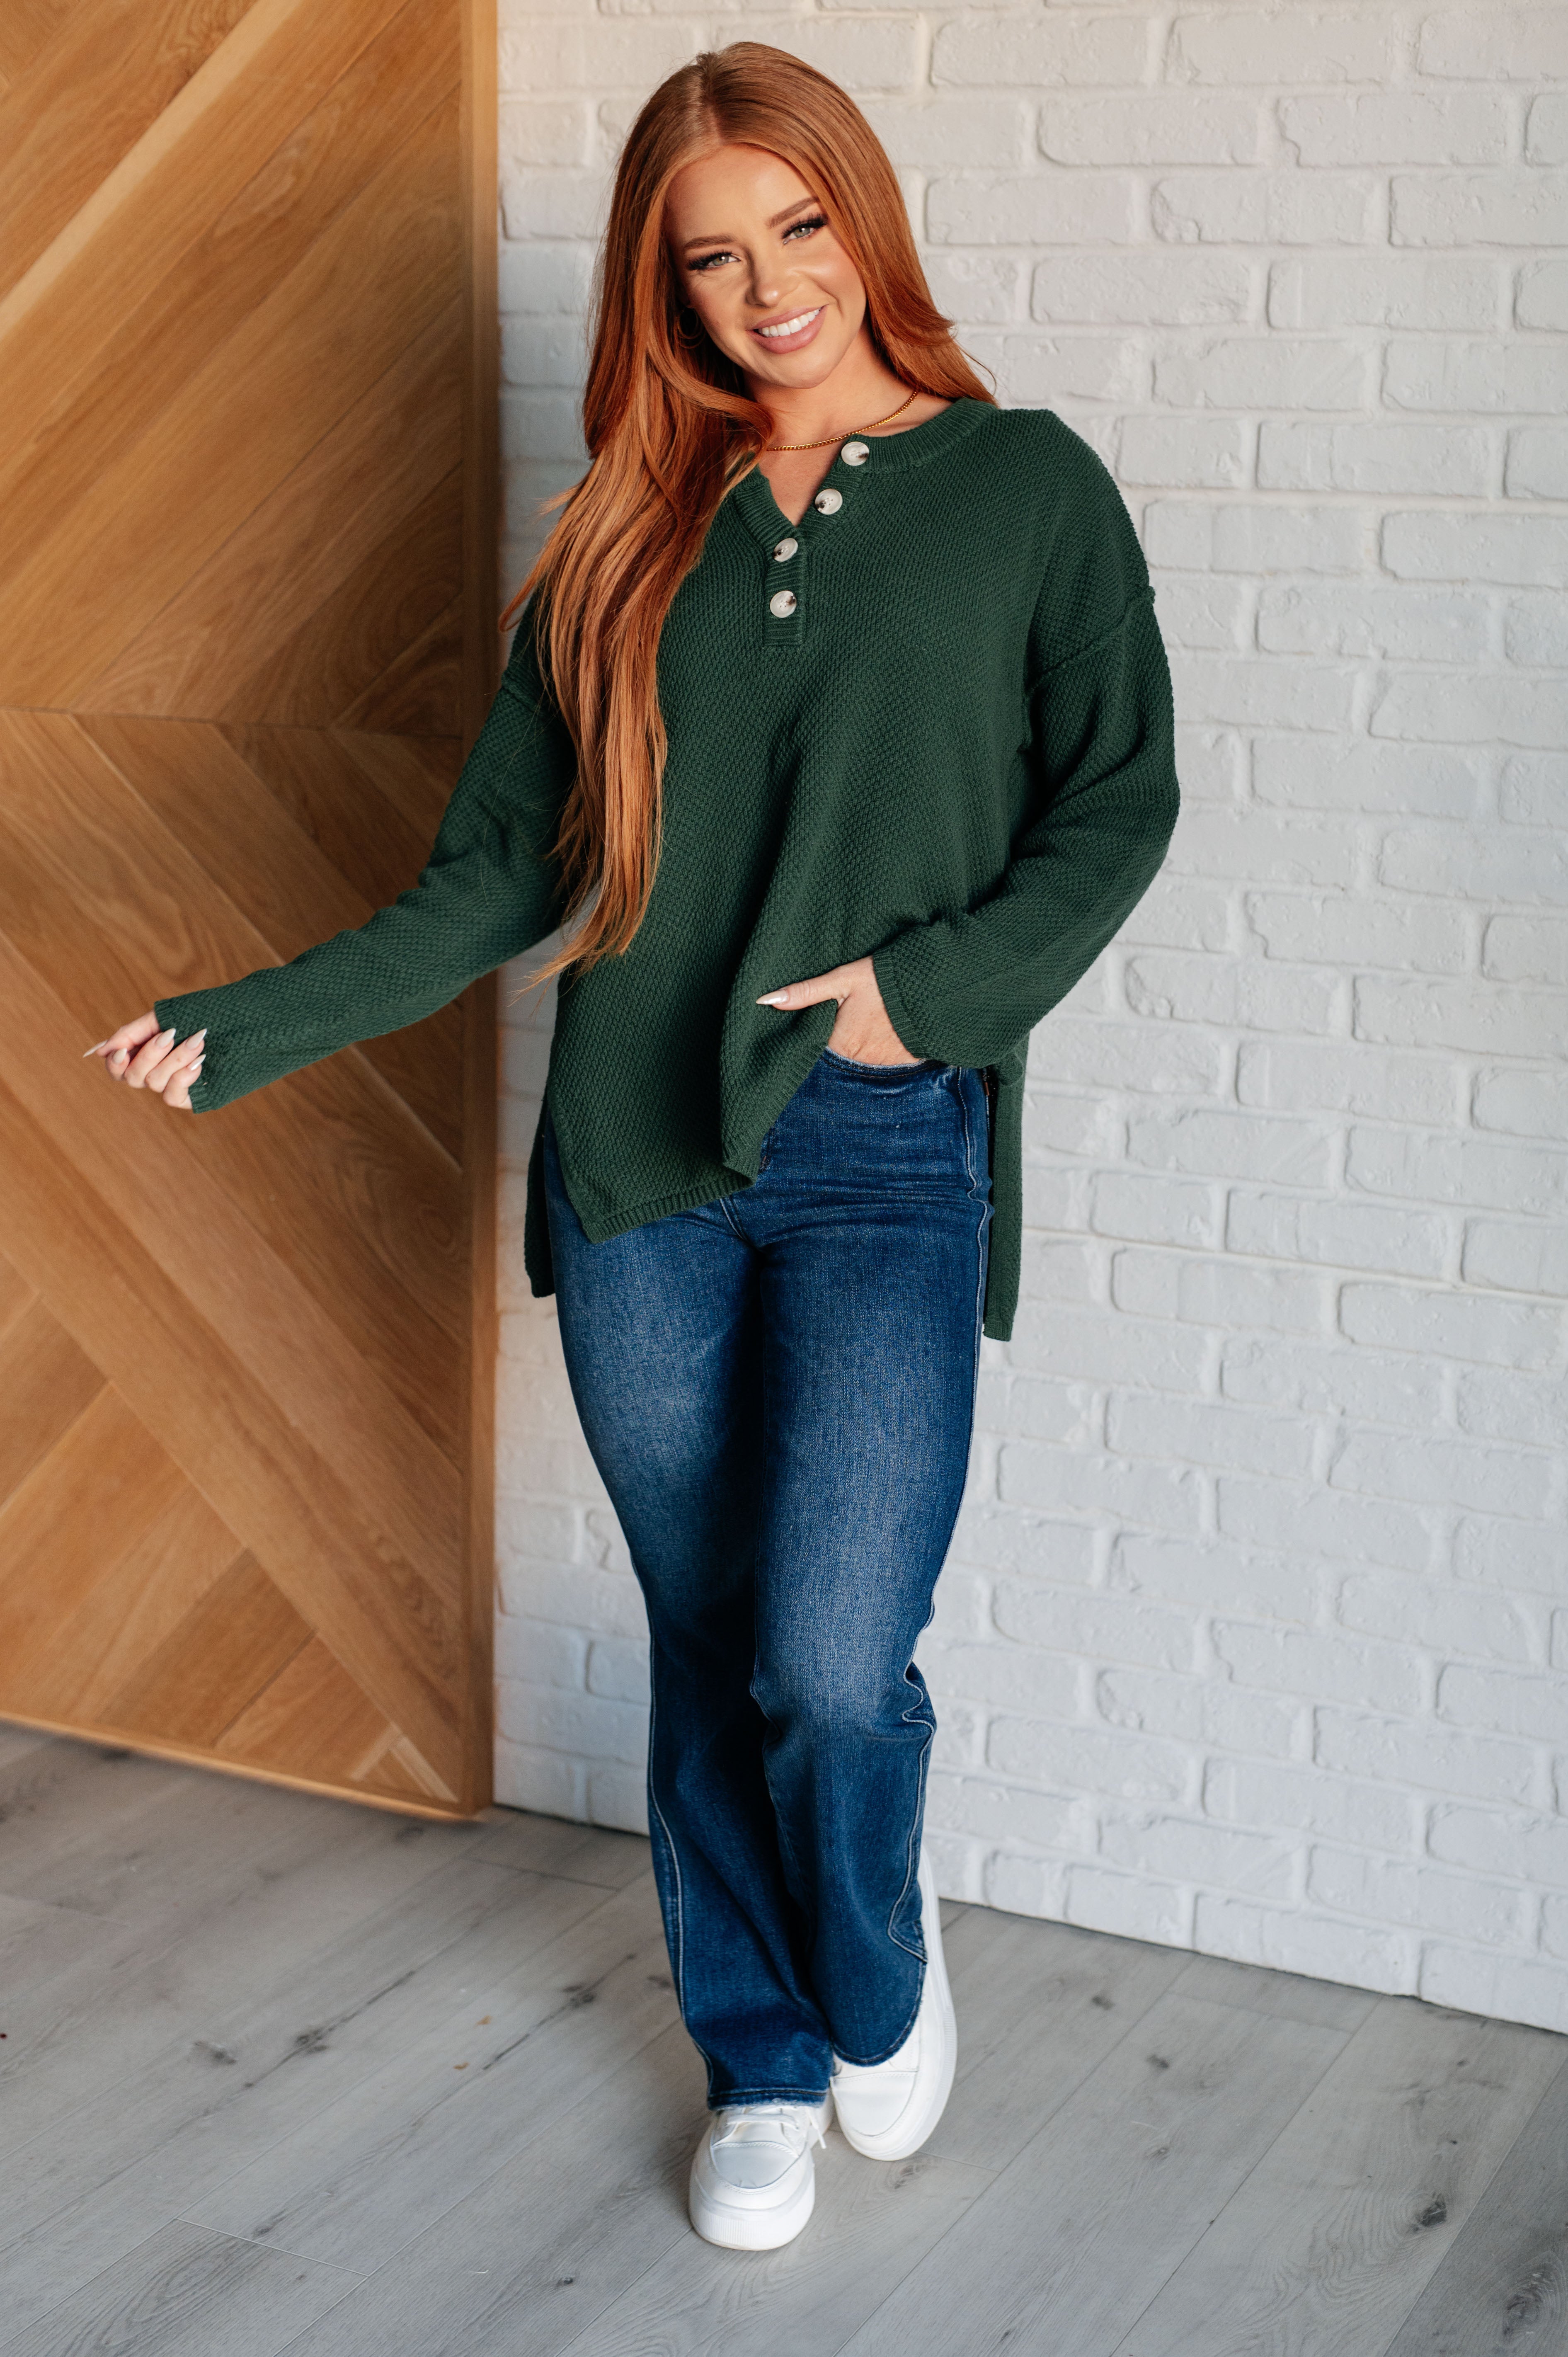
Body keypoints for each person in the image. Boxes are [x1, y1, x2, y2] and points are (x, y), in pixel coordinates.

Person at [88, 44, 1180, 2251]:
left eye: (798, 226)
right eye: (709, 256)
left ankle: (872, 1946)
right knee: (708, 1627)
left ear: (862, 219)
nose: (766, 284)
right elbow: (495, 876)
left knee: (829, 1660)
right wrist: (249, 1018)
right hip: (637, 1162)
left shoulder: (1026, 488)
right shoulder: (621, 533)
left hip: (883, 1145)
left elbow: (1119, 794)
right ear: (659, 288)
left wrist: (923, 998)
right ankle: (759, 2061)